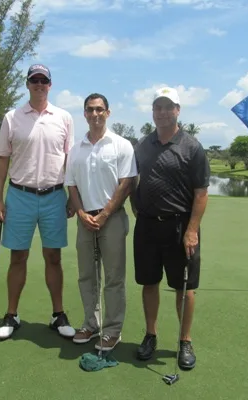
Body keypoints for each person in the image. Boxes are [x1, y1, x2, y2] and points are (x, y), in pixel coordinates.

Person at [0, 64, 76, 341]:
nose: (39, 84)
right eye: (34, 80)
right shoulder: (12, 117)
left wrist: (73, 197)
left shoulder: (64, 118)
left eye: (43, 80)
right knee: (18, 256)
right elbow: (2, 159)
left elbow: (70, 160)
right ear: (27, 84)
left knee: (54, 257)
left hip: (54, 196)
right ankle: (11, 315)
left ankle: (58, 315)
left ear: (50, 85)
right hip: (20, 195)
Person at [130, 87, 210, 370]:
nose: (163, 112)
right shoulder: (142, 145)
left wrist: (192, 230)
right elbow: (133, 180)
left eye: (168, 107)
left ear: (178, 110)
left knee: (184, 287)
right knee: (149, 282)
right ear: (153, 111)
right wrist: (135, 205)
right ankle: (150, 334)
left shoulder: (192, 147)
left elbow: (201, 193)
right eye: (158, 107)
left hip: (180, 227)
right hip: (148, 226)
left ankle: (185, 340)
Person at [64, 93, 137, 351]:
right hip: (85, 219)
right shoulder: (76, 149)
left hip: (112, 218)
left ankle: (112, 330)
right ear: (84, 113)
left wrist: (105, 214)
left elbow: (127, 183)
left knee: (114, 277)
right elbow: (71, 184)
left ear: (108, 112)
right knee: (87, 275)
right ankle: (90, 324)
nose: (94, 114)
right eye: (90, 109)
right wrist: (81, 212)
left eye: (99, 109)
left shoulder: (121, 145)